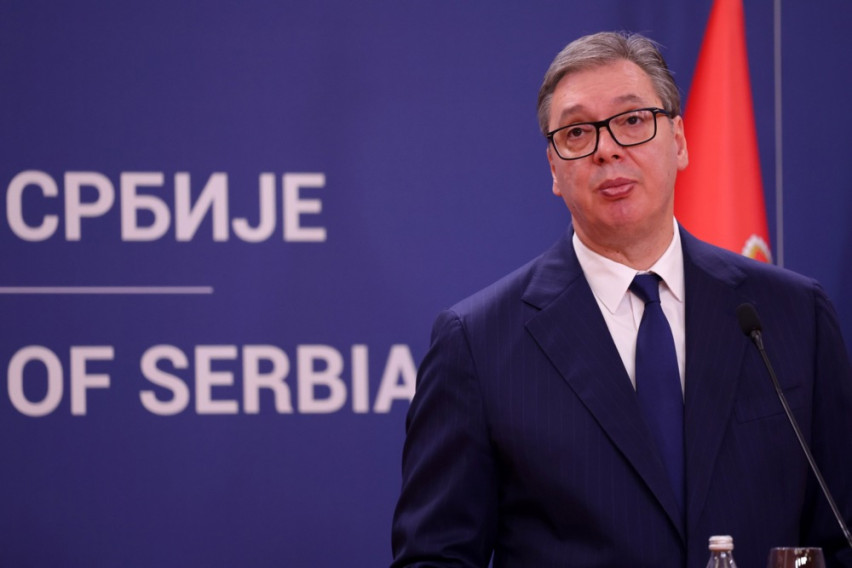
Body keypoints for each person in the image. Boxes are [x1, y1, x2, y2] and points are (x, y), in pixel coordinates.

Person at [390, 31, 852, 567]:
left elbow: (840, 535)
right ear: (554, 169)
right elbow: (435, 558)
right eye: (577, 132)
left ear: (679, 140)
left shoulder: (791, 314)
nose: (607, 148)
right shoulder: (477, 344)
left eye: (632, 120)